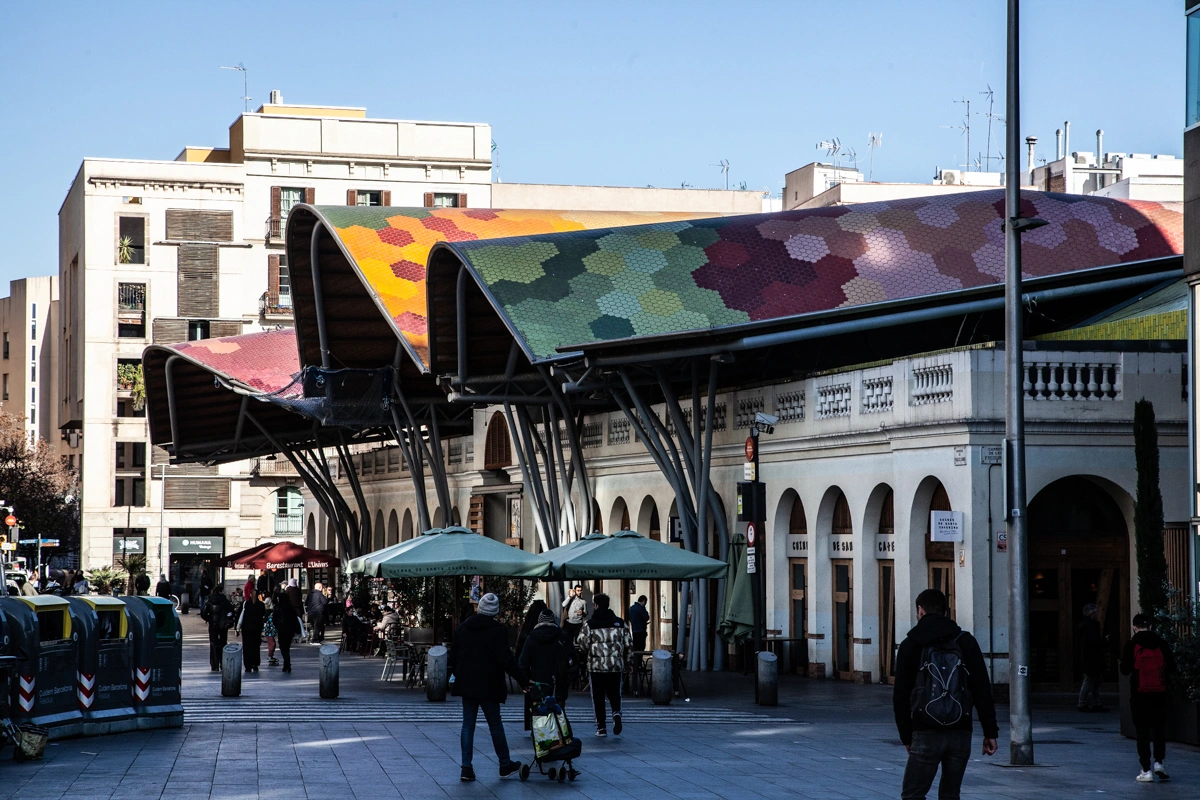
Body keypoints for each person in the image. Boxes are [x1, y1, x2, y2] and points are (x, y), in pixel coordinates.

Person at [893, 589, 998, 800]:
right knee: (950, 795)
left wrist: (907, 736)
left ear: (920, 611)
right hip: (960, 731)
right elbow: (982, 689)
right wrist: (990, 732)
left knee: (913, 794)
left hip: (925, 731)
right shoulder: (965, 641)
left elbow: (900, 696)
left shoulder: (910, 645)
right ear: (946, 611)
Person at [448, 592, 526, 783]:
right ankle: (504, 764)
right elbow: (506, 660)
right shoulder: (497, 631)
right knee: (495, 725)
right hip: (489, 684)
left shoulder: (463, 628)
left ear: (479, 607)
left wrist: (457, 675)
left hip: (467, 684)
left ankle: (466, 768)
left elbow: (453, 656)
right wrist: (524, 680)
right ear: (495, 611)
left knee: (468, 726)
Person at [1120, 613, 1175, 783]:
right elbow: (1172, 667)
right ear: (1151, 626)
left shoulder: (1132, 644)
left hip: (1139, 695)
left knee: (1142, 732)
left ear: (1135, 627)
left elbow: (1124, 669)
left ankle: (1146, 770)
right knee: (1159, 730)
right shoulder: (1162, 643)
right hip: (1159, 694)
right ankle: (1159, 762)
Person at [576, 592, 632, 738]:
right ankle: (616, 713)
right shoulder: (620, 623)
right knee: (615, 693)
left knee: (598, 696)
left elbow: (582, 643)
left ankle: (601, 727)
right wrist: (629, 661)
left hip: (596, 667)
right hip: (615, 666)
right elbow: (629, 644)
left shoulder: (590, 625)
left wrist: (586, 655)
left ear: (595, 605)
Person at [519, 608, 574, 731]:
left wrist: (525, 681)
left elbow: (523, 662)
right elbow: (572, 659)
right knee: (559, 711)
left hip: (537, 681)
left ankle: (541, 736)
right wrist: (569, 677)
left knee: (539, 712)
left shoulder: (532, 637)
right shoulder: (562, 637)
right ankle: (559, 734)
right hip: (559, 681)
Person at [1075, 603, 1107, 712]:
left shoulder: (1084, 625)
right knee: (1090, 681)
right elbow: (1094, 642)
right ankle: (1083, 703)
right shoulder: (1091, 626)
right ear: (1091, 613)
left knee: (1095, 681)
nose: (1097, 614)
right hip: (1091, 659)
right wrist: (1105, 640)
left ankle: (1095, 702)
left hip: (1089, 659)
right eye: (1096, 612)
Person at [200, 585, 235, 672]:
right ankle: (222, 663)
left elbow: (203, 613)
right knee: (223, 643)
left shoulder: (209, 600)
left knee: (213, 644)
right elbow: (231, 612)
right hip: (223, 625)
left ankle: (214, 665)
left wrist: (210, 619)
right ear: (221, 591)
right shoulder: (225, 601)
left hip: (213, 625)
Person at [272, 589, 300, 673]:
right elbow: (295, 619)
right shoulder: (291, 608)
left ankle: (286, 663)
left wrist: (277, 626)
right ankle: (286, 663)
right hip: (289, 630)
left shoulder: (278, 607)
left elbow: (274, 619)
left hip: (282, 630)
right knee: (287, 647)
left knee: (283, 647)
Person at [239, 592, 266, 673]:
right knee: (256, 647)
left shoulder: (246, 604)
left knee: (247, 647)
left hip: (246, 629)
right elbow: (263, 614)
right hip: (257, 629)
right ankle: (255, 663)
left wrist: (237, 628)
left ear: (250, 594)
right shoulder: (261, 605)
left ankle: (248, 665)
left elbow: (240, 615)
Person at [263, 592, 279, 666]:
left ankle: (270, 655)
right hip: (269, 630)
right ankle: (270, 656)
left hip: (270, 629)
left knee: (272, 643)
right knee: (272, 643)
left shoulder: (273, 611)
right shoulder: (273, 612)